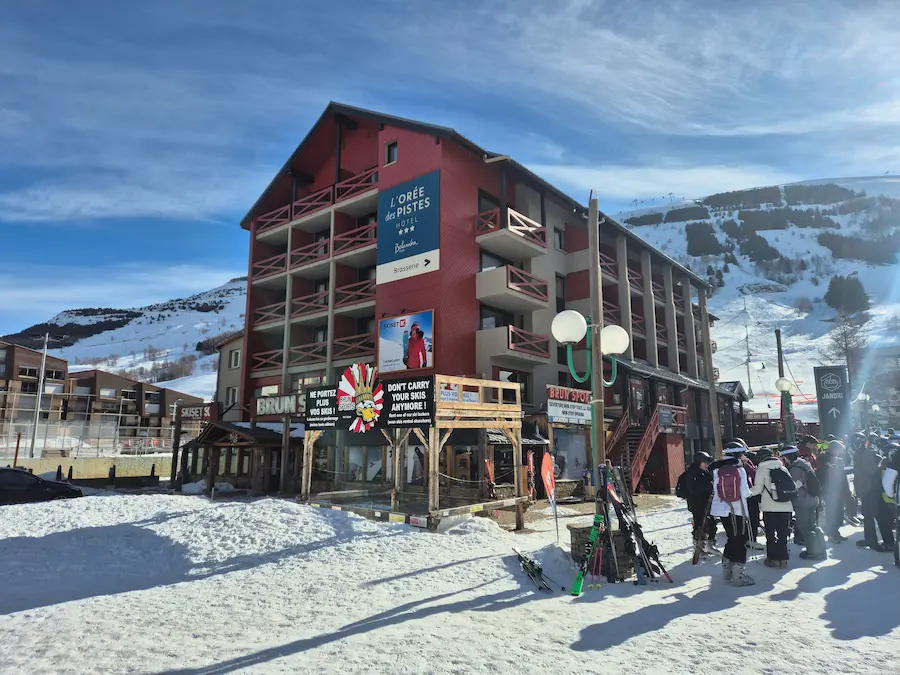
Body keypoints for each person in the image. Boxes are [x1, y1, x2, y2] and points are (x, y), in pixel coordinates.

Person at [710, 453, 754, 586]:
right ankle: (738, 575)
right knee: (740, 540)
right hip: (738, 510)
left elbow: (716, 492)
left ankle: (727, 570)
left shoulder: (717, 471)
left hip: (722, 511)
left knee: (731, 538)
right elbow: (745, 493)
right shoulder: (740, 470)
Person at [749, 447, 794, 567]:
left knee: (770, 533)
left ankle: (773, 559)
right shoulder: (782, 467)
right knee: (783, 533)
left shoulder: (762, 469)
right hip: (785, 506)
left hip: (769, 507)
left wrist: (745, 493)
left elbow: (757, 489)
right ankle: (783, 559)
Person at [784, 445, 826, 560]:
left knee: (806, 528)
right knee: (813, 526)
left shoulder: (795, 469)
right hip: (812, 499)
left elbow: (795, 486)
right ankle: (821, 549)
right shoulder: (805, 464)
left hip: (803, 502)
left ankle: (813, 552)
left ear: (788, 456)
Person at [855, 436, 893, 551]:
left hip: (871, 489)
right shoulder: (870, 453)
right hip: (873, 488)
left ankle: (877, 541)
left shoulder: (867, 454)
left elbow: (869, 471)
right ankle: (881, 541)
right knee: (875, 516)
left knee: (872, 515)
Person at [724, 441, 763, 550]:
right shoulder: (741, 466)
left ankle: (740, 541)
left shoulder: (721, 466)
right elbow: (754, 474)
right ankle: (750, 540)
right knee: (752, 516)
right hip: (746, 494)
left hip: (729, 498)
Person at [818, 441, 849, 542]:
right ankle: (832, 534)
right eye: (840, 449)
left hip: (838, 490)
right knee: (832, 513)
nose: (841, 451)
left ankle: (836, 532)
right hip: (830, 491)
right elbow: (822, 475)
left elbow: (843, 476)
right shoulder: (823, 459)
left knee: (839, 512)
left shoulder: (838, 460)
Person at [685, 451, 716, 552]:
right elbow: (693, 489)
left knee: (711, 523)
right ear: (699, 462)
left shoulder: (704, 472)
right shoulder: (692, 473)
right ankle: (699, 548)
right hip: (697, 504)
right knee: (700, 525)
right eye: (705, 462)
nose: (707, 465)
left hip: (706, 502)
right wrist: (708, 486)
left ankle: (710, 544)